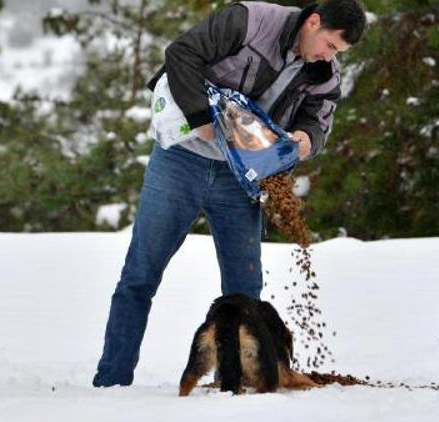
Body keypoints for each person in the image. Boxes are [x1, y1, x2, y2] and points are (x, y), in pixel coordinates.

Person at [93, 0, 366, 387]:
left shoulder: (324, 72)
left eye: (338, 53)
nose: (330, 56)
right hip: (181, 160)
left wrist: (307, 139)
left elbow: (318, 117)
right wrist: (201, 119)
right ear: (314, 21)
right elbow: (182, 54)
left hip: (241, 176)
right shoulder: (250, 21)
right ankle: (111, 382)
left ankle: (232, 384)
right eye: (331, 45)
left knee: (244, 290)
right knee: (140, 274)